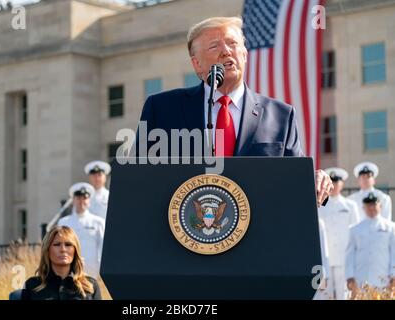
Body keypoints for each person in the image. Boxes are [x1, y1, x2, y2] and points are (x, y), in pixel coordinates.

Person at [136, 16, 332, 206]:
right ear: (197, 64)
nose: (226, 52)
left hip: (258, 233)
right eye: (214, 46)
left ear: (245, 55)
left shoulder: (281, 116)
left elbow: (295, 179)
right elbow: (137, 178)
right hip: (185, 229)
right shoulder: (162, 109)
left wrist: (314, 180)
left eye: (232, 43)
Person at [21, 225, 102, 300]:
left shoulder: (90, 286)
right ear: (47, 250)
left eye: (68, 244)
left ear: (75, 250)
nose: (63, 249)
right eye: (57, 244)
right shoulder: (32, 286)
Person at [318, 168, 359, 300]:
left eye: (338, 181)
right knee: (324, 294)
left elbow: (355, 234)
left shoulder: (350, 205)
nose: (335, 185)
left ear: (342, 184)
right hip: (325, 259)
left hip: (343, 258)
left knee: (344, 295)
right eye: (333, 181)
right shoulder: (319, 205)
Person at [345, 193, 395, 299]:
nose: (371, 208)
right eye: (368, 205)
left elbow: (393, 253)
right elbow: (350, 254)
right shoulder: (355, 229)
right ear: (363, 207)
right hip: (361, 278)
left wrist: (393, 274)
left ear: (380, 206)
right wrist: (349, 276)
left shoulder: (390, 228)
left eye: (374, 204)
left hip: (383, 277)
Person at [58, 182, 105, 278]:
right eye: (78, 198)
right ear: (73, 200)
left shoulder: (98, 222)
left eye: (85, 198)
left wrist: (102, 272)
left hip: (92, 272)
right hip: (69, 271)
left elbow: (102, 248)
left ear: (89, 201)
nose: (81, 201)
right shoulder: (64, 222)